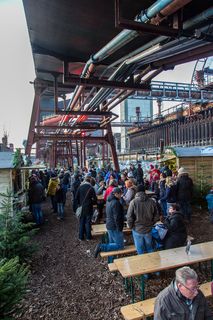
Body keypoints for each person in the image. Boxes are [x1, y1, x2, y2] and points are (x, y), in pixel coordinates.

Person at [127, 184, 159, 255]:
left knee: (140, 249)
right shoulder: (151, 201)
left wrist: (130, 226)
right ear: (145, 191)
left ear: (136, 192)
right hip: (148, 228)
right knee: (150, 248)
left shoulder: (133, 202)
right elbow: (157, 216)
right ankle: (152, 263)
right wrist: (152, 223)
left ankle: (143, 264)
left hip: (137, 229)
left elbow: (129, 217)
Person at [94, 187, 124, 259]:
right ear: (116, 194)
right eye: (120, 194)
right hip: (114, 226)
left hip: (109, 224)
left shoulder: (109, 200)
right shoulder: (116, 203)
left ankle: (111, 260)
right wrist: (120, 227)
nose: (121, 196)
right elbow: (117, 217)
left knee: (112, 244)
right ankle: (101, 247)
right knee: (120, 246)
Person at [75, 176, 97, 241]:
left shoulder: (80, 187)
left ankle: (80, 237)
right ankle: (88, 237)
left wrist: (80, 203)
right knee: (88, 222)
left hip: (81, 207)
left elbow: (76, 197)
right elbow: (95, 199)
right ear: (89, 182)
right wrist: (91, 202)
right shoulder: (91, 188)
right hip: (89, 207)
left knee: (81, 222)